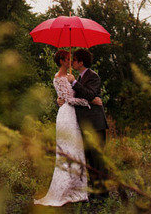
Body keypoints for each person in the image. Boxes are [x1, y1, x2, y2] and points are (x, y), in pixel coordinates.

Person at [33, 50, 92, 206]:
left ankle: (78, 190)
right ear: (60, 61)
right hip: (67, 114)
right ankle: (63, 190)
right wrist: (87, 102)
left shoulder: (69, 77)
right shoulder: (58, 78)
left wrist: (73, 82)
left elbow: (70, 94)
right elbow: (69, 99)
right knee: (68, 150)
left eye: (70, 58)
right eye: (66, 59)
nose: (69, 61)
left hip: (73, 115)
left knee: (76, 150)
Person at [62, 48, 109, 199]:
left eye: (74, 60)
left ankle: (103, 193)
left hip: (96, 124)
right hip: (85, 125)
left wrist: (74, 82)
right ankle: (95, 191)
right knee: (89, 158)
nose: (72, 63)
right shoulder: (80, 78)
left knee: (98, 159)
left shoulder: (93, 76)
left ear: (81, 62)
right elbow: (83, 99)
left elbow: (90, 94)